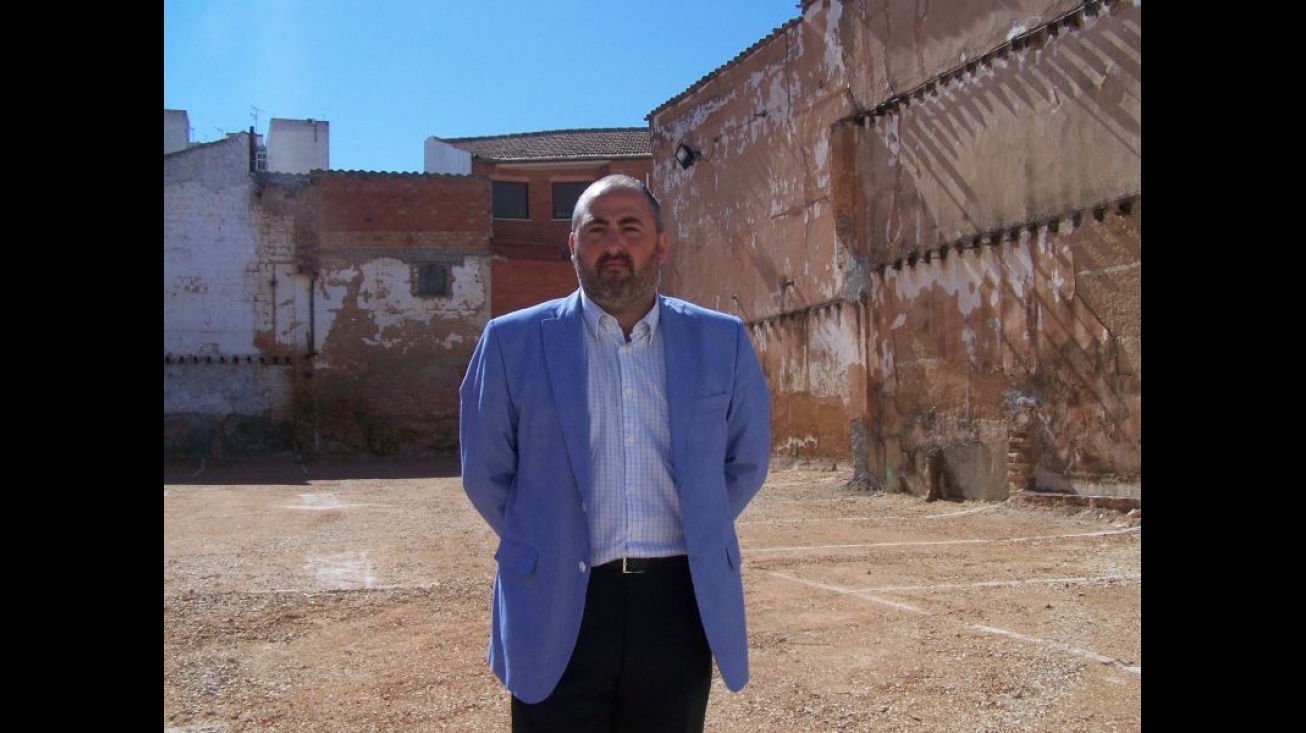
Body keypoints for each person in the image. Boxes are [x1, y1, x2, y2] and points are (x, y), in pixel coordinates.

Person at [459, 173, 772, 732]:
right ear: (572, 244)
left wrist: (701, 521)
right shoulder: (511, 343)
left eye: (631, 227)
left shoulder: (720, 341)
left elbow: (744, 461)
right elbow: (486, 473)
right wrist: (545, 535)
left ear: (661, 244)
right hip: (556, 602)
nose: (613, 243)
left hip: (678, 604)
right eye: (596, 228)